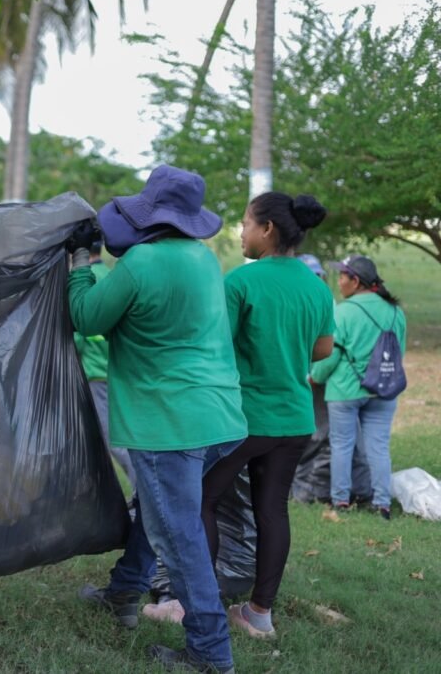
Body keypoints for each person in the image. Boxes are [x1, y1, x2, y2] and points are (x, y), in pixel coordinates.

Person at [69, 165, 246, 674]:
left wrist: (82, 260)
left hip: (168, 424)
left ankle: (211, 655)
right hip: (221, 418)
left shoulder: (141, 263)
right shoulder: (205, 259)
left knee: (180, 535)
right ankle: (125, 592)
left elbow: (86, 317)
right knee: (160, 507)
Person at [200, 193, 335, 639]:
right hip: (296, 419)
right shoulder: (317, 286)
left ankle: (193, 603)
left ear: (268, 230)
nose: (240, 232)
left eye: (244, 223)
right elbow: (322, 349)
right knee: (273, 511)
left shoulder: (241, 282)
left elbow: (216, 346)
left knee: (203, 499)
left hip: (246, 418)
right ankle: (260, 614)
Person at [311, 255, 407, 519]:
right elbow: (400, 351)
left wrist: (315, 376)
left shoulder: (344, 311)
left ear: (356, 281)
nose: (339, 282)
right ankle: (382, 504)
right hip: (384, 389)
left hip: (345, 390)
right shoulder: (396, 311)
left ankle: (341, 500)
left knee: (342, 444)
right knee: (379, 446)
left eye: (342, 276)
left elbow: (330, 355)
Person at [72, 241, 136, 496]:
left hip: (96, 371)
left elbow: (77, 333)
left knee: (112, 438)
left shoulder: (83, 281)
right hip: (117, 369)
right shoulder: (110, 276)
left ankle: (140, 491)